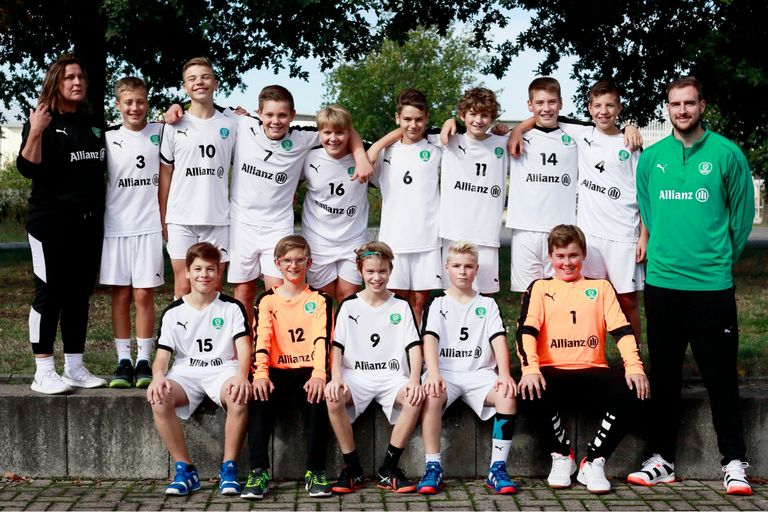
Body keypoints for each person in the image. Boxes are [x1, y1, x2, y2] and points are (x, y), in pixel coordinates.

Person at [628, 76, 755, 496]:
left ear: (702, 106)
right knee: (664, 376)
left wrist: (718, 260)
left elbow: (741, 218)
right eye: (674, 104)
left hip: (711, 287)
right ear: (667, 108)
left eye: (689, 103)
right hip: (663, 284)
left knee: (721, 377)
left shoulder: (727, 154)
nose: (681, 110)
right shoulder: (652, 158)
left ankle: (733, 461)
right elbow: (648, 210)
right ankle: (661, 459)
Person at [508, 80, 647, 339]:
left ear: (619, 108)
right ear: (589, 108)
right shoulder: (581, 132)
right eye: (597, 106)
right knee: (588, 300)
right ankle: (589, 352)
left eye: (610, 106)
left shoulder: (630, 144)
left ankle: (634, 356)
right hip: (590, 235)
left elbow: (645, 195)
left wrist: (644, 235)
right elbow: (544, 116)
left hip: (623, 235)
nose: (603, 111)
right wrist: (517, 129)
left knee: (627, 301)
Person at [516, 224, 649, 493]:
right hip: (551, 372)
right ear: (551, 257)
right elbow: (525, 331)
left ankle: (594, 461)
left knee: (637, 389)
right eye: (560, 256)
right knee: (526, 390)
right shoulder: (540, 288)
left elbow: (622, 330)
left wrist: (635, 367)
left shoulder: (600, 287)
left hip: (592, 371)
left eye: (573, 255)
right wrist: (530, 369)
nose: (567, 263)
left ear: (584, 255)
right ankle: (562, 456)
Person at [228, 86, 374, 327]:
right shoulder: (242, 123)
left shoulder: (303, 136)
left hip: (277, 227)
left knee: (277, 294)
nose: (275, 121)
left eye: (282, 115)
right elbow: (203, 112)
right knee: (243, 292)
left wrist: (360, 156)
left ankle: (275, 346)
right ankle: (246, 345)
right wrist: (174, 109)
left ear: (292, 115)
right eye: (269, 115)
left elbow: (343, 128)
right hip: (241, 224)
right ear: (259, 113)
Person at [17, 54, 107, 394]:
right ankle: (43, 370)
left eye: (80, 76)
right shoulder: (42, 118)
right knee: (49, 292)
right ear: (56, 82)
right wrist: (36, 130)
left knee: (78, 295)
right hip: (49, 222)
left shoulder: (92, 122)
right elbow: (27, 168)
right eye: (69, 77)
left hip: (87, 224)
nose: (77, 82)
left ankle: (74, 367)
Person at [147, 242, 251, 497]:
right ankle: (185, 470)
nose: (204, 274)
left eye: (210, 269)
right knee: (159, 398)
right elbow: (162, 358)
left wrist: (242, 376)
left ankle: (229, 468)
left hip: (223, 370)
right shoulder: (173, 312)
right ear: (187, 272)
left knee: (238, 395)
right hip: (187, 373)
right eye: (198, 269)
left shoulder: (231, 307)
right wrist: (157, 377)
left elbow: (244, 348)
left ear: (219, 272)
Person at [417, 241, 518, 495]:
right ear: (447, 268)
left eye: (468, 266)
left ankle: (497, 468)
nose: (462, 271)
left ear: (476, 270)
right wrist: (433, 374)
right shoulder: (437, 302)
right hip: (445, 373)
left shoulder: (488, 304)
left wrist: (504, 374)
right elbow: (429, 339)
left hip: (479, 374)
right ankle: (432, 467)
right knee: (431, 394)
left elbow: (498, 340)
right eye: (457, 266)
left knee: (507, 395)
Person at [326, 242, 424, 493]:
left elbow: (414, 347)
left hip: (392, 377)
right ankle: (352, 469)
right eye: (370, 271)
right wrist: (336, 377)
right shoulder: (349, 305)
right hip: (356, 377)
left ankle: (388, 469)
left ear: (391, 271)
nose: (376, 277)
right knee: (333, 397)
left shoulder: (401, 305)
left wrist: (414, 380)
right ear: (360, 271)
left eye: (382, 271)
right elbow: (336, 348)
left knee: (414, 398)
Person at [244, 235, 334, 500]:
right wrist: (260, 374)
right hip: (275, 370)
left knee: (318, 398)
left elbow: (322, 339)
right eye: (287, 261)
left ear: (309, 263)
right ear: (277, 264)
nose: (293, 266)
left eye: (299, 260)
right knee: (258, 396)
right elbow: (262, 340)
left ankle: (315, 471)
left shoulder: (320, 299)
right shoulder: (266, 301)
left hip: (309, 369)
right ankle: (258, 471)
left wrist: (320, 375)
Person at [101, 76, 163, 388]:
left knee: (143, 294)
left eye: (140, 101)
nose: (135, 107)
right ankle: (123, 360)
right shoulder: (108, 137)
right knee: (121, 294)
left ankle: (144, 360)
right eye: (128, 102)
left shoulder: (161, 132)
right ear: (118, 104)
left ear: (147, 102)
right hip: (116, 226)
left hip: (149, 225)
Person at [159, 57, 236, 298]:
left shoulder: (233, 123)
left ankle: (214, 325)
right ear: (185, 87)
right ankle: (179, 325)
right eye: (192, 79)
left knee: (214, 286)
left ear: (216, 82)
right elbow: (165, 173)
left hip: (217, 217)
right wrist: (163, 216)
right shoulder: (173, 124)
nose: (199, 82)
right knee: (183, 285)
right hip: (181, 218)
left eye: (205, 77)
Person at [368, 89, 443, 325]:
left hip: (427, 239)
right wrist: (376, 146)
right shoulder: (383, 152)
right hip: (394, 239)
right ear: (397, 118)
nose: (413, 125)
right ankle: (398, 345)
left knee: (419, 302)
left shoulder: (437, 150)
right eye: (407, 119)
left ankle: (417, 346)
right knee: (396, 300)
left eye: (419, 119)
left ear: (426, 118)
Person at [505, 77, 578, 294]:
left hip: (561, 230)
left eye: (551, 102)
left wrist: (629, 126)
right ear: (530, 105)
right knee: (527, 296)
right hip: (525, 230)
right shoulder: (514, 138)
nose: (546, 108)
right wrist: (516, 130)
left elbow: (605, 129)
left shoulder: (575, 137)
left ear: (561, 103)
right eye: (539, 103)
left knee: (560, 294)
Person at [436, 88, 509, 295]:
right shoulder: (448, 139)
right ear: (462, 115)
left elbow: (527, 131)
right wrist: (449, 121)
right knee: (452, 295)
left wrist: (510, 130)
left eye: (485, 115)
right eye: (473, 114)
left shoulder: (503, 143)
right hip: (454, 232)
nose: (478, 120)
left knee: (486, 295)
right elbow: (409, 130)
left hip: (486, 234)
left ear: (492, 118)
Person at [300, 106, 369, 304]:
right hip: (318, 238)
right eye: (327, 132)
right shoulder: (308, 156)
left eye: (340, 132)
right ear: (319, 133)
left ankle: (345, 327)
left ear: (349, 133)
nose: (333, 138)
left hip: (352, 239)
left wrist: (361, 156)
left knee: (348, 298)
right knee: (324, 300)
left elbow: (393, 139)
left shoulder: (364, 155)